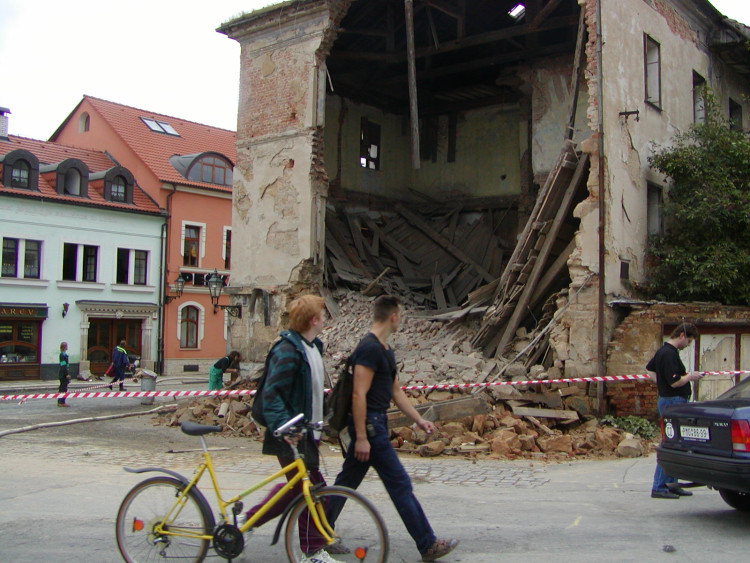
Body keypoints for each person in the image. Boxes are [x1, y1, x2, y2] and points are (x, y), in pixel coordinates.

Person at [330, 295, 459, 562]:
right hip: (371, 429)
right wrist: (363, 437)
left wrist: (418, 419)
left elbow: (396, 391)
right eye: (400, 314)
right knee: (400, 485)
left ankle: (317, 532)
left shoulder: (384, 350)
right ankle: (428, 544)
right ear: (392, 316)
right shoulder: (368, 349)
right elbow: (358, 395)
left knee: (346, 483)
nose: (401, 318)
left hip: (374, 426)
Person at [241, 294, 342, 563]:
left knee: (299, 490)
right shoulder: (287, 350)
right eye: (323, 314)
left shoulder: (313, 346)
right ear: (313, 320)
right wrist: (285, 427)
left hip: (308, 431)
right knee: (309, 491)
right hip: (289, 433)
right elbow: (272, 395)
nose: (326, 319)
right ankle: (313, 550)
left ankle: (245, 522)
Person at [649, 322, 703, 499]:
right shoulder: (668, 354)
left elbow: (650, 371)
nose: (689, 344)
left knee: (676, 444)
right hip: (673, 402)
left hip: (669, 400)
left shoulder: (663, 352)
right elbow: (675, 382)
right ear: (682, 336)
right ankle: (660, 485)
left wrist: (661, 385)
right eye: (689, 340)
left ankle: (672, 483)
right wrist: (690, 376)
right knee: (670, 443)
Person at [57, 342, 71, 408]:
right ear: (64, 347)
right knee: (63, 388)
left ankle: (61, 401)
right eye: (66, 346)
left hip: (64, 373)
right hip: (63, 374)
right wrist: (66, 374)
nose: (67, 347)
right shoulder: (62, 355)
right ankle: (61, 402)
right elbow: (63, 365)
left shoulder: (64, 354)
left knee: (63, 388)